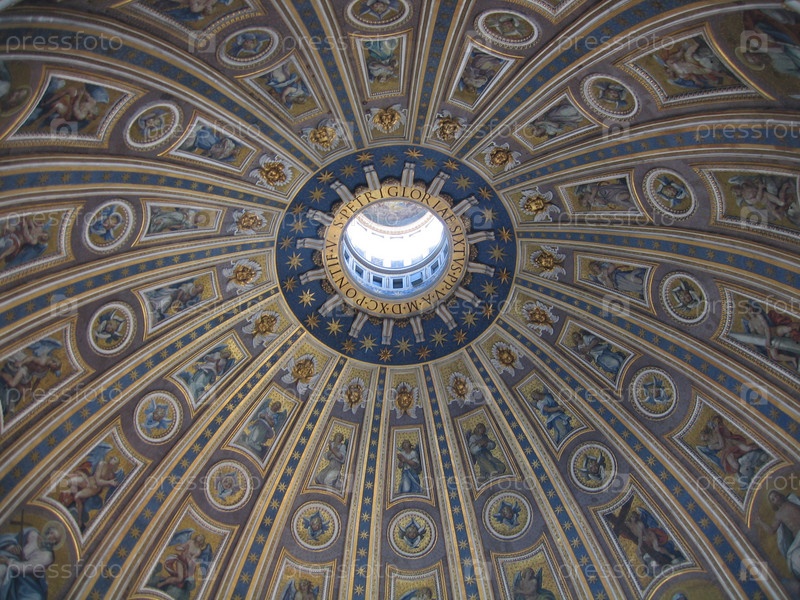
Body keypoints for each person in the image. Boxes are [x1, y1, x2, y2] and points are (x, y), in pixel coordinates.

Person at [0, 522, 63, 600]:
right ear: (47, 531)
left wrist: (8, 561)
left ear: (55, 542)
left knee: (35, 598)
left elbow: (27, 567)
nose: (51, 538)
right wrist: (12, 547)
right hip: (13, 562)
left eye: (55, 539)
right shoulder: (32, 533)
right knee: (2, 570)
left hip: (28, 579)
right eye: (51, 533)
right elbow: (13, 538)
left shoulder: (47, 556)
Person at [758, 490, 800, 595]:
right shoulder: (778, 514)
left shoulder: (791, 501)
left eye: (776, 496)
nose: (776, 499)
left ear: (780, 495)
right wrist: (760, 522)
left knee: (790, 554)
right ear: (773, 503)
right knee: (790, 556)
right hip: (798, 537)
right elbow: (772, 530)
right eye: (773, 499)